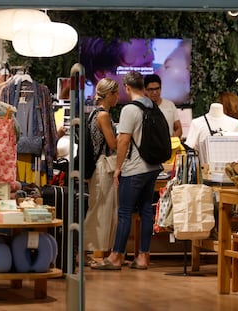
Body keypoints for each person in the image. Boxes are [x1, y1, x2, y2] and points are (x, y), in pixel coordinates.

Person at [91, 71, 163, 270]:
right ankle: (143, 257)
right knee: (146, 211)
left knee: (124, 213)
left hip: (135, 168)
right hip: (153, 167)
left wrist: (118, 168)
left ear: (127, 88)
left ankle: (116, 257)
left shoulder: (130, 109)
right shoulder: (152, 105)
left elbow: (122, 141)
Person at [84, 77, 119, 264]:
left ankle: (93, 251)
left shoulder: (94, 113)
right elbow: (112, 143)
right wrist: (125, 136)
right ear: (110, 95)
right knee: (100, 209)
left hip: (99, 165)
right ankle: (87, 250)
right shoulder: (103, 115)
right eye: (116, 93)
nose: (118, 97)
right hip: (102, 166)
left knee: (100, 208)